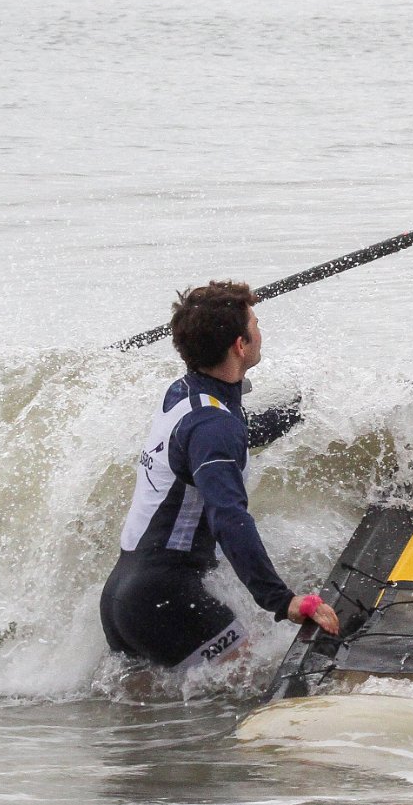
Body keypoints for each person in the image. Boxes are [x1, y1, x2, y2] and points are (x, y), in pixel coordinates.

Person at [100, 281, 340, 672]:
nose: (261, 331)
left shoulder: (184, 394)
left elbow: (234, 430)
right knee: (254, 695)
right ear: (240, 346)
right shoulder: (214, 427)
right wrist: (283, 601)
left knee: (148, 727)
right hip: (164, 597)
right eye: (255, 324)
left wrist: (303, 409)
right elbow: (229, 517)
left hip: (120, 598)